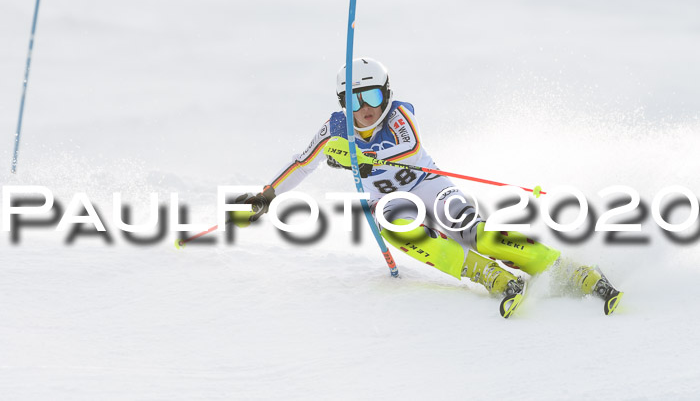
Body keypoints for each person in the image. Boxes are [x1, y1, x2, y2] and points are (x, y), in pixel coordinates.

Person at [233, 57, 623, 317]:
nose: (366, 107)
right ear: (343, 102)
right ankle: (493, 278)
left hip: (430, 186)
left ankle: (572, 272)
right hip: (392, 202)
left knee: (476, 233)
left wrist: (359, 155)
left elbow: (411, 146)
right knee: (400, 230)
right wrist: (268, 196)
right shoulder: (335, 130)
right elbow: (302, 165)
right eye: (355, 99)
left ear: (386, 93)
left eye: (373, 95)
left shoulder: (400, 114)